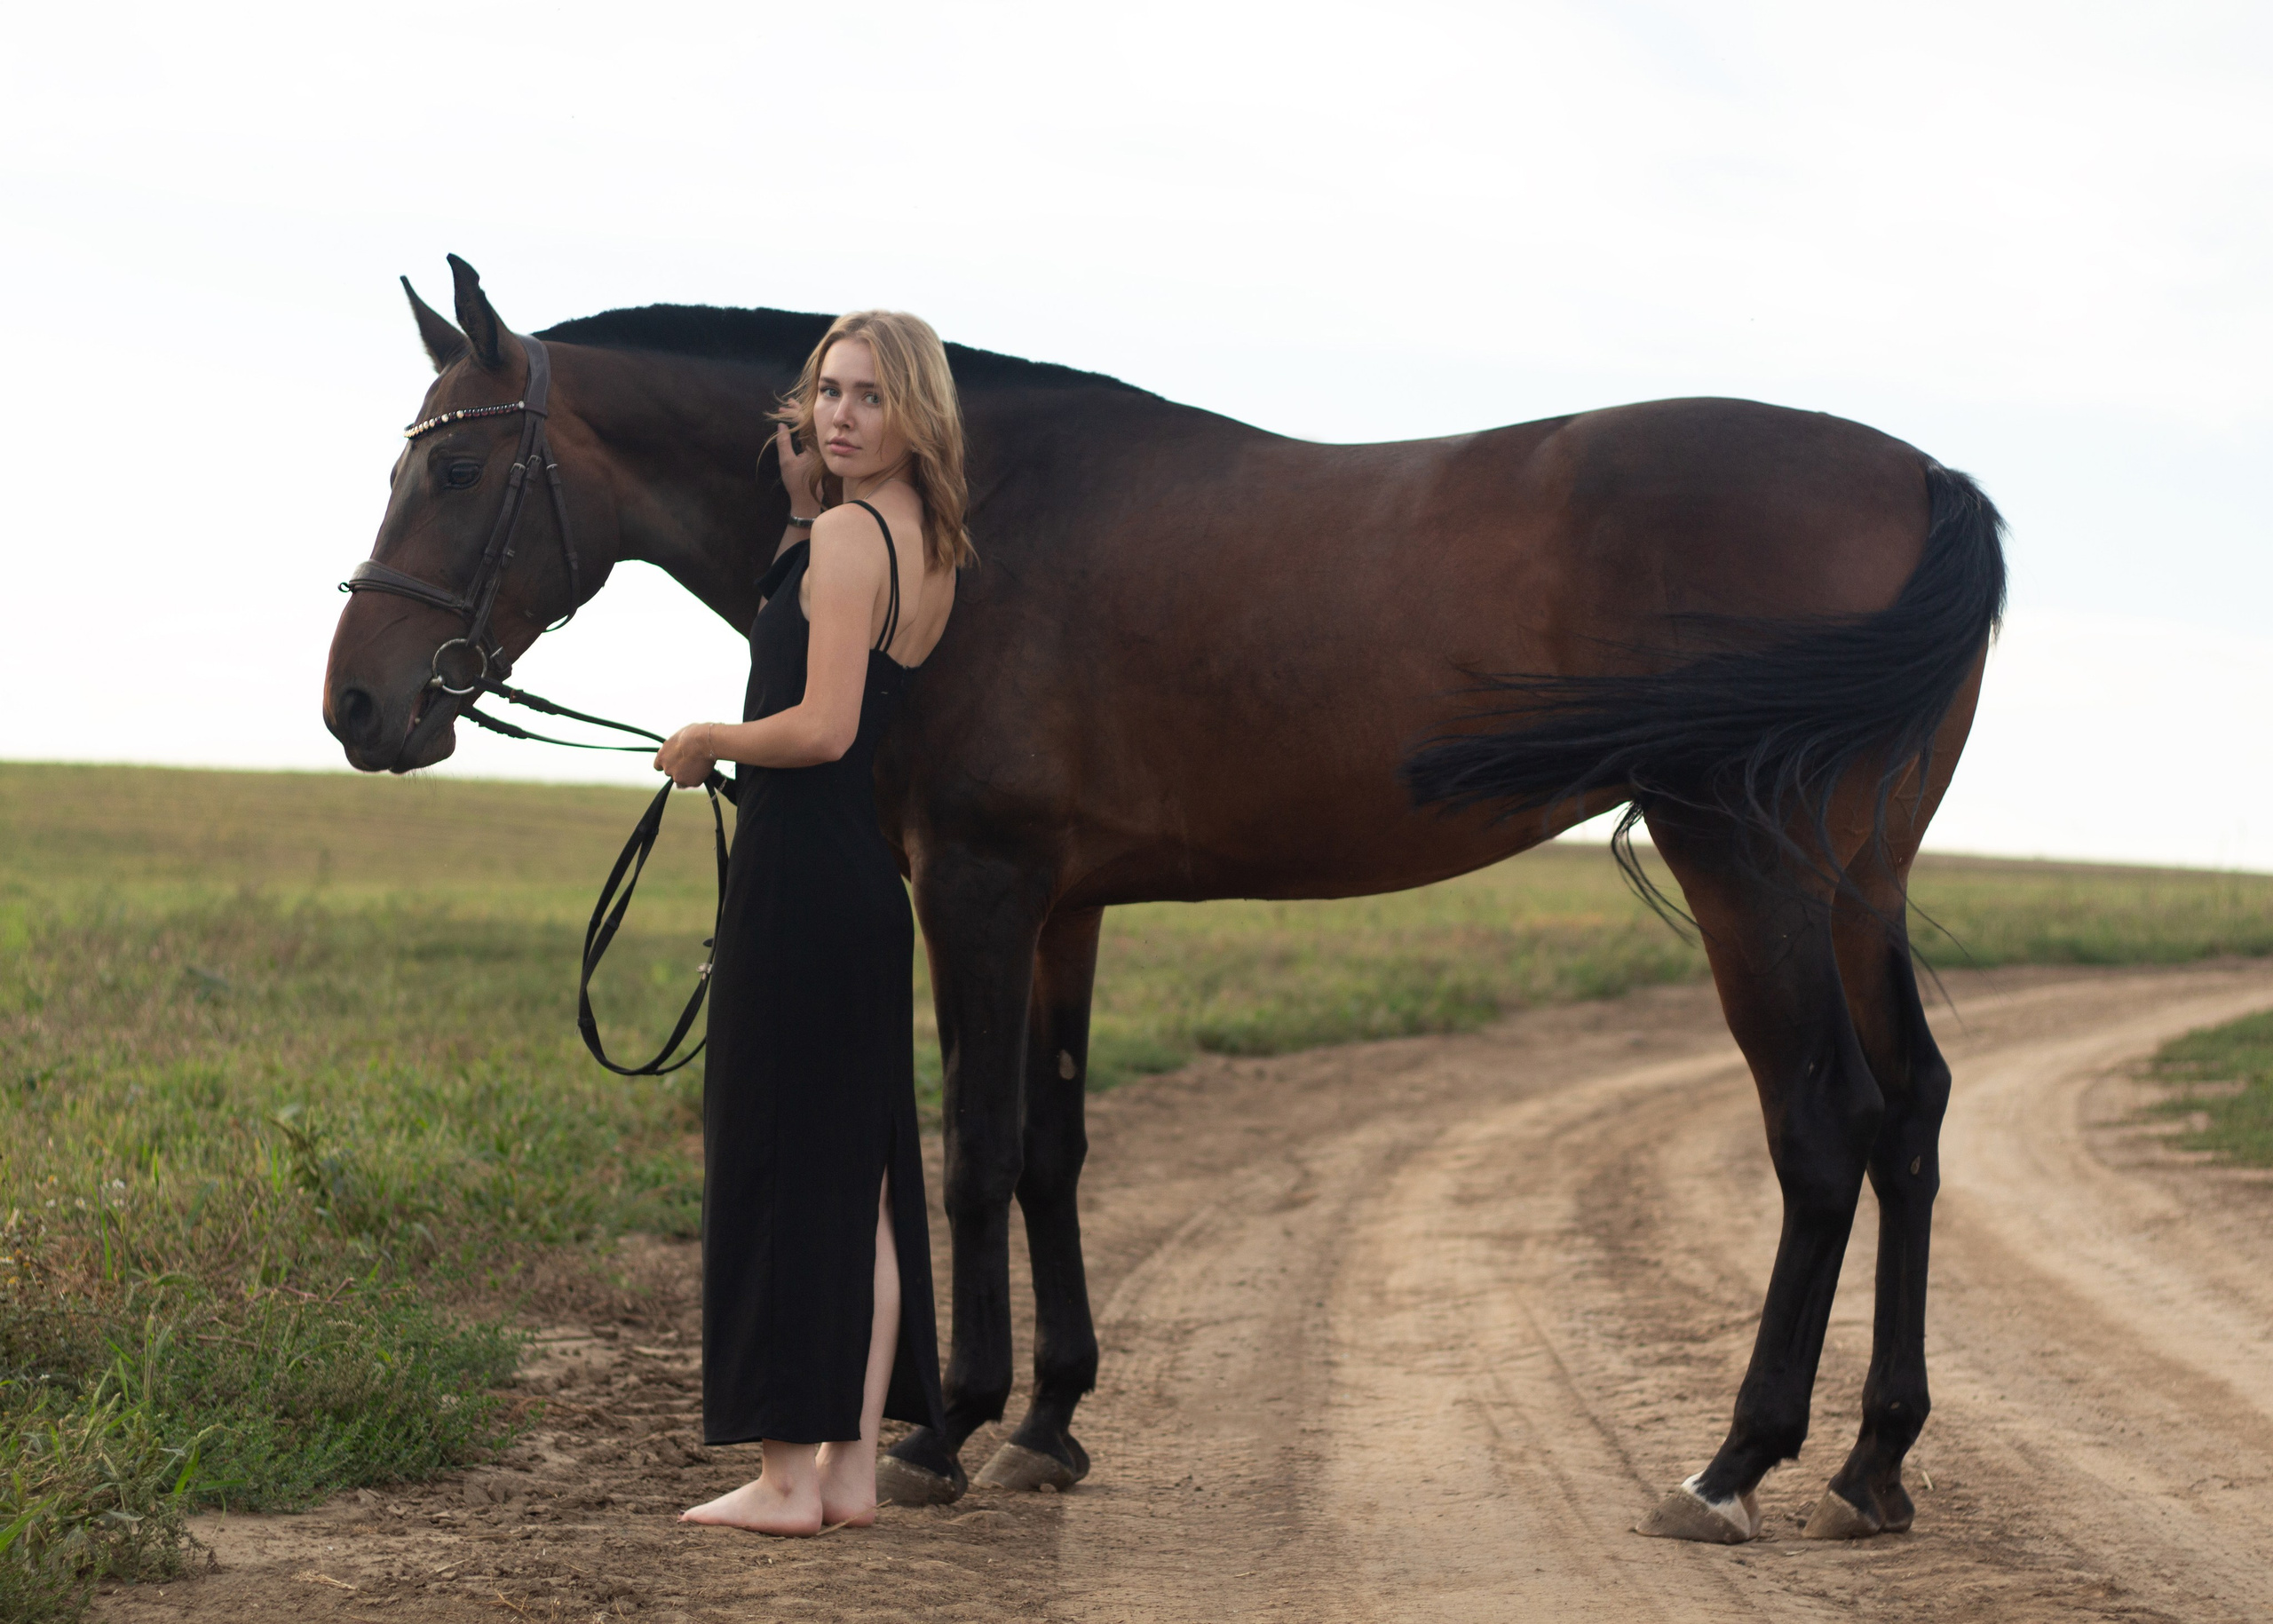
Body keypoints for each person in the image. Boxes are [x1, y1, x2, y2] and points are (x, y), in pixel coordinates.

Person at [654, 310, 975, 1536]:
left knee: (787, 1172)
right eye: (826, 392)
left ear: (914, 415)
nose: (837, 415)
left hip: (801, 874)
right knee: (863, 1184)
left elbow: (823, 723)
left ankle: (790, 1477)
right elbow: (832, 663)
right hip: (858, 883)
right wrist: (798, 515)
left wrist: (709, 742)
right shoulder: (922, 540)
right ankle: (844, 1472)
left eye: (867, 398)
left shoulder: (848, 536)